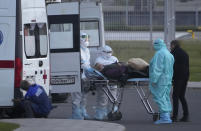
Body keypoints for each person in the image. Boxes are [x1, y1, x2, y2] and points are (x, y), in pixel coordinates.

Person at [149, 38, 174, 124]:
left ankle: (165, 118)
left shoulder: (159, 54)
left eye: (155, 44)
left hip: (161, 79)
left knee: (160, 97)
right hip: (168, 79)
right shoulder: (169, 54)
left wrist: (154, 79)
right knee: (165, 97)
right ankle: (166, 115)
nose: (154, 46)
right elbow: (171, 69)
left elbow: (157, 68)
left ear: (158, 44)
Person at [94, 45, 118, 120]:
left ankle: (112, 113)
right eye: (107, 52)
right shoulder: (98, 59)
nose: (108, 54)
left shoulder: (114, 58)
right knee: (102, 98)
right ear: (102, 52)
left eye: (110, 52)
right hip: (102, 81)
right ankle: (100, 114)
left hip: (113, 80)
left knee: (113, 98)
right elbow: (98, 67)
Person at [71, 32, 91, 119]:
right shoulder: (77, 50)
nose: (86, 39)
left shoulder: (86, 50)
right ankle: (76, 114)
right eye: (84, 37)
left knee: (84, 95)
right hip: (78, 75)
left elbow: (87, 63)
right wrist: (89, 69)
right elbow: (82, 64)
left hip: (84, 76)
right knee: (77, 96)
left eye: (87, 37)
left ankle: (83, 111)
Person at [170, 40, 190, 122]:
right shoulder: (185, 53)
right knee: (181, 96)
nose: (170, 47)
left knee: (175, 96)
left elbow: (172, 66)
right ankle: (186, 115)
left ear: (173, 45)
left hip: (178, 77)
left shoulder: (173, 53)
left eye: (171, 45)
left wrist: (172, 77)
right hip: (185, 76)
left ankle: (174, 116)